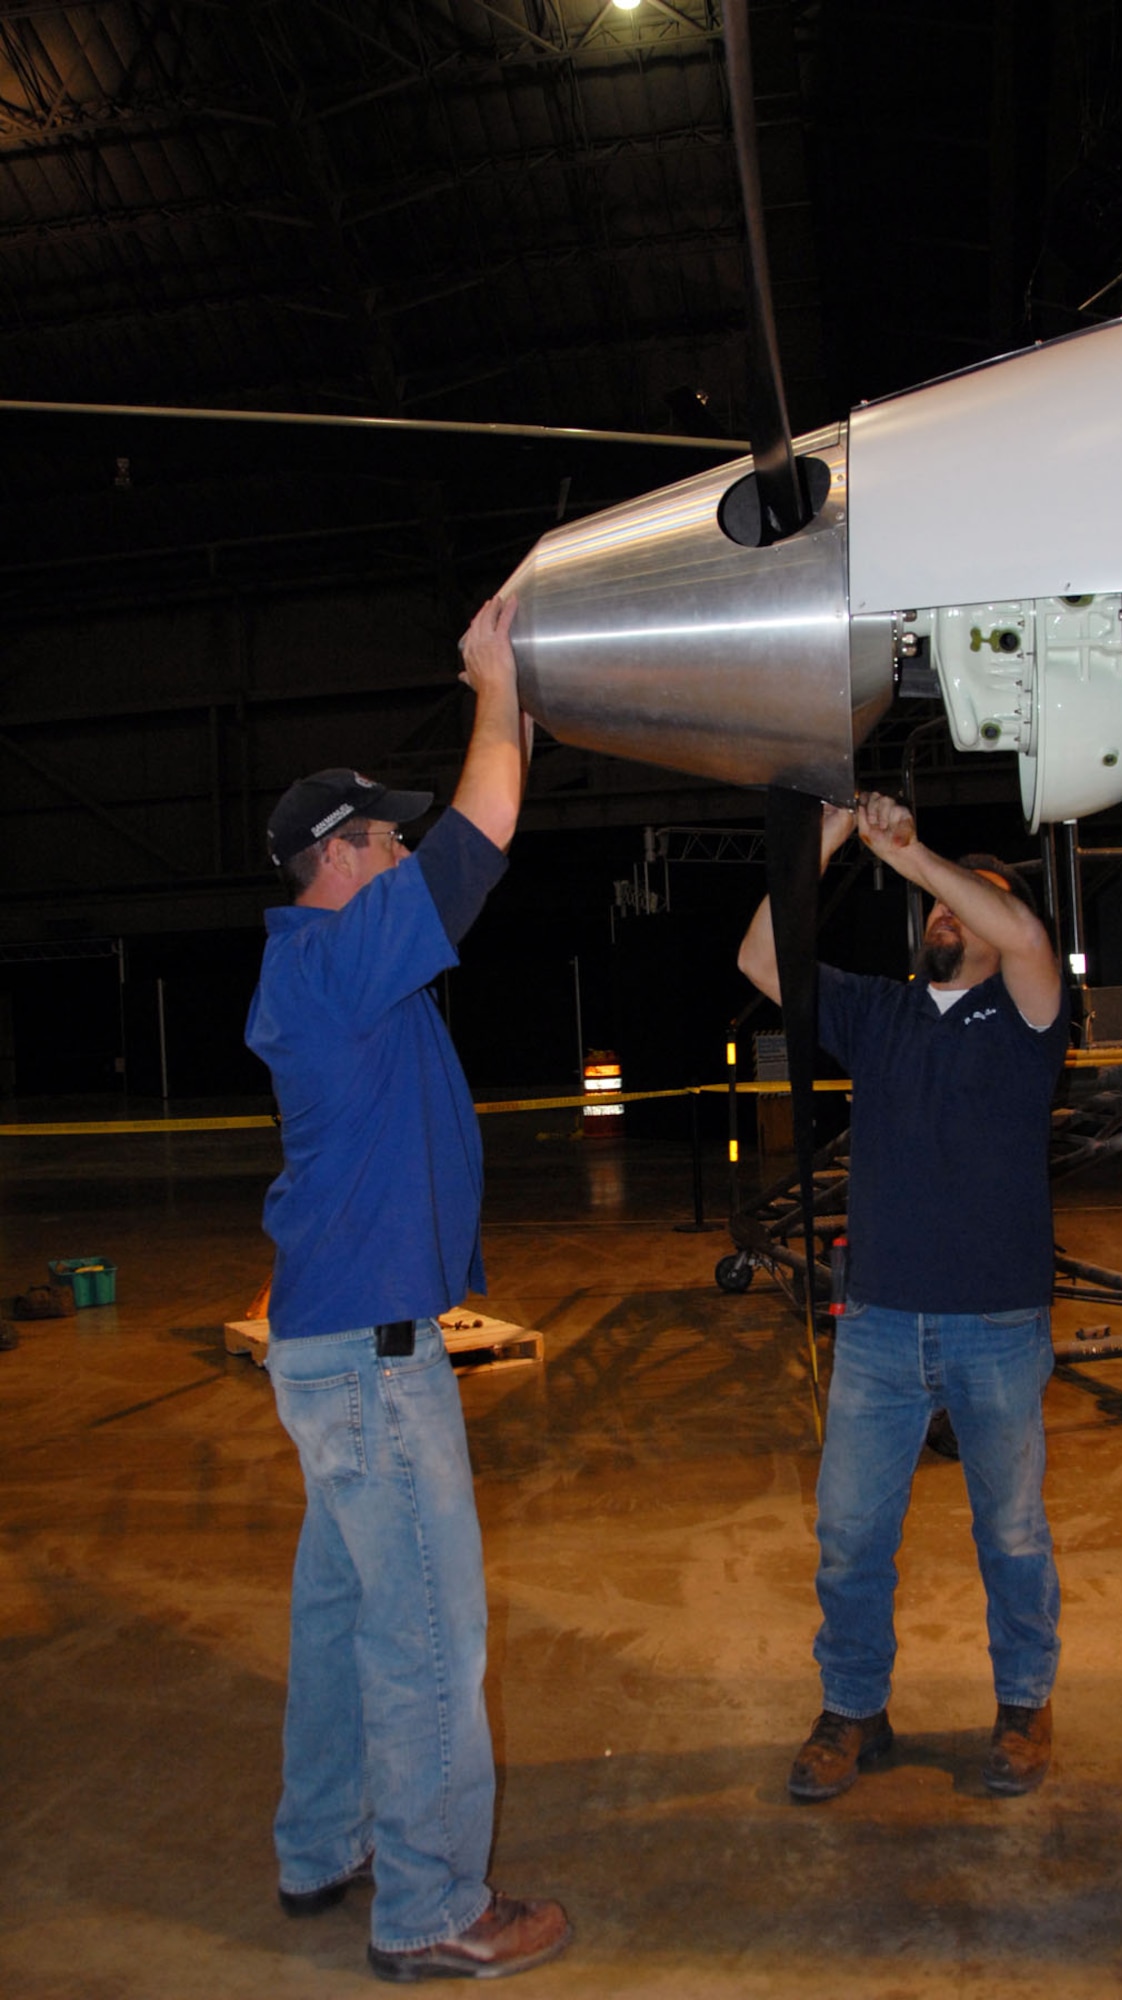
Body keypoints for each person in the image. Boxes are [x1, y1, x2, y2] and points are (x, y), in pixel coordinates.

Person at [245, 595, 572, 1983]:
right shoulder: (332, 962)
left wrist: (519, 705)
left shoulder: (345, 982)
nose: (397, 849)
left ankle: (323, 1843)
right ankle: (434, 1905)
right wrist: (496, 686)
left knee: (340, 1612)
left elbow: (460, 854)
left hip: (339, 1354)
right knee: (427, 1633)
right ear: (337, 858)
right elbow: (480, 839)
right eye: (379, 835)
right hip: (371, 1369)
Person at [738, 791, 1068, 1802]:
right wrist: (837, 830)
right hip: (878, 1321)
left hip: (997, 1324)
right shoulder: (877, 1011)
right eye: (932, 906)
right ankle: (853, 1709)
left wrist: (912, 851)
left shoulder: (1026, 1011)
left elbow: (1016, 930)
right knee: (848, 1535)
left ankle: (1023, 1702)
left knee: (1009, 1532)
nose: (944, 916)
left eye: (963, 905)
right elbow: (759, 955)